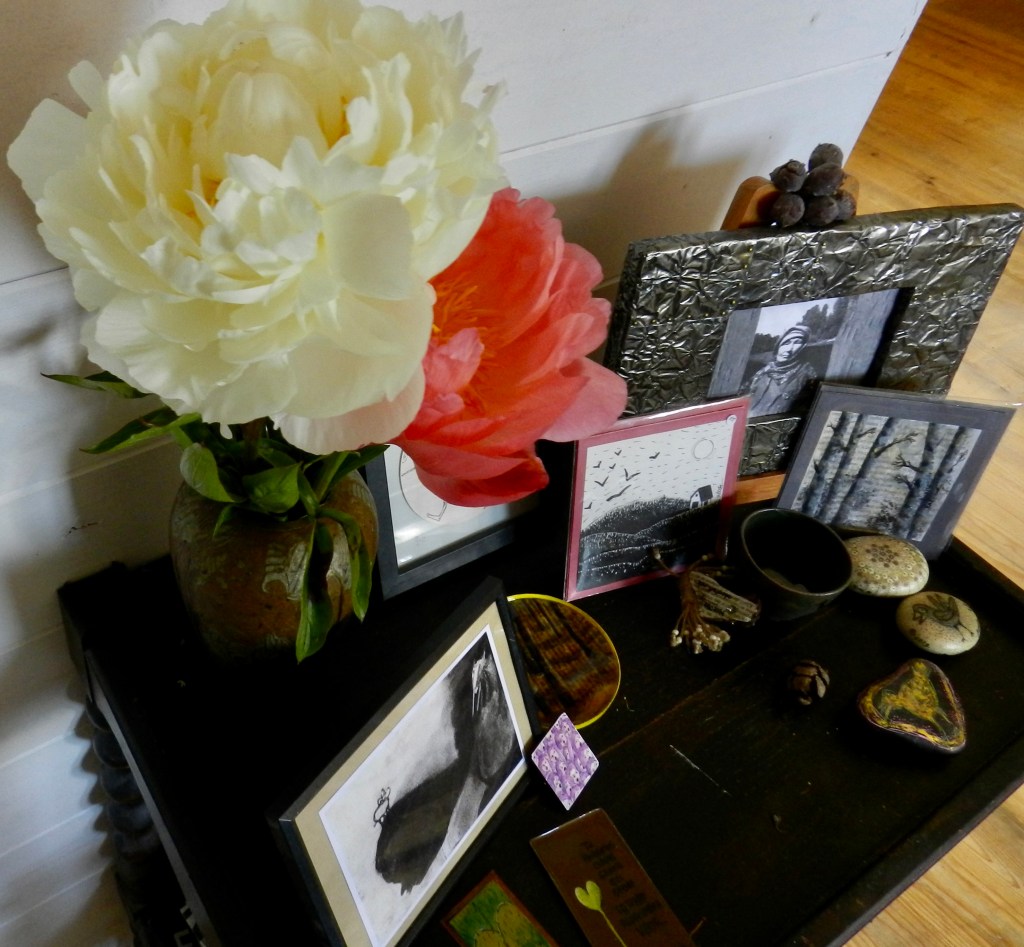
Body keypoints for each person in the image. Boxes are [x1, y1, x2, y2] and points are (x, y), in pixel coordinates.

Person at [745, 324, 818, 416]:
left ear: (803, 347)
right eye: (786, 343)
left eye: (797, 343)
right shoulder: (762, 373)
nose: (789, 349)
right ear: (778, 346)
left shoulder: (807, 375)